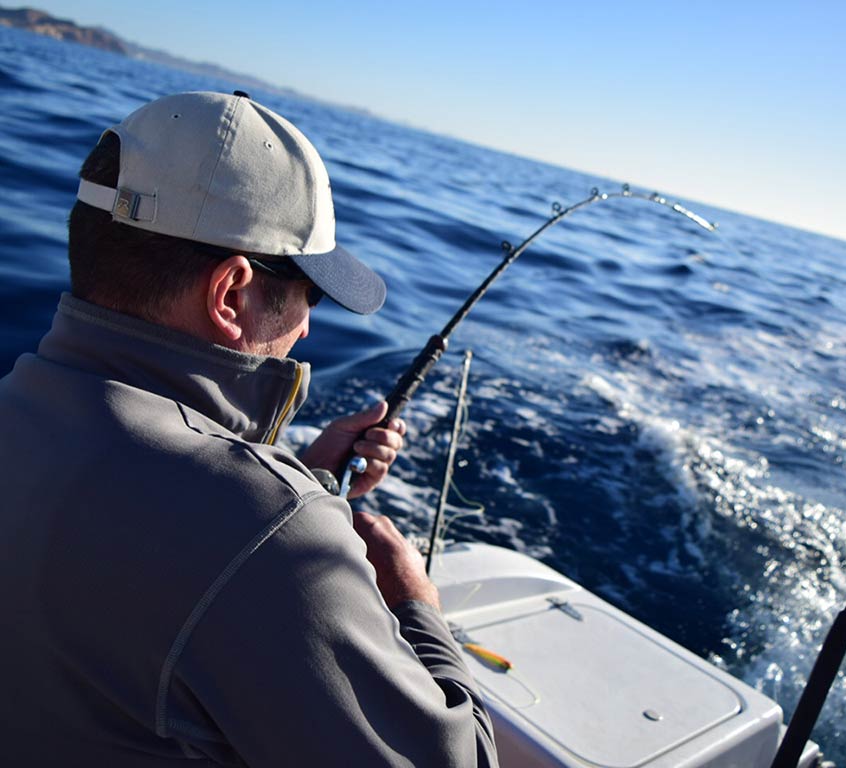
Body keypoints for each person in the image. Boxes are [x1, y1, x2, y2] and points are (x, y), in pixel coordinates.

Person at [0, 90, 498, 766]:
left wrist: (313, 482)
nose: (307, 325)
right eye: (308, 292)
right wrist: (416, 605)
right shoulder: (271, 531)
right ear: (231, 293)